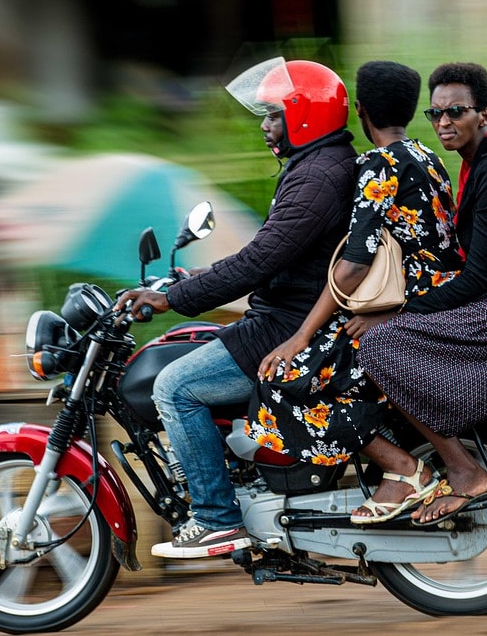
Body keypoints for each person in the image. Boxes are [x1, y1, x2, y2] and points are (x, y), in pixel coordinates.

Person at [115, 57, 357, 559]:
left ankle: (216, 519)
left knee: (174, 386)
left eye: (273, 115)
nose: (266, 126)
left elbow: (260, 260)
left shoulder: (316, 178)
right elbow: (268, 253)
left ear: (304, 114)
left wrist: (173, 298)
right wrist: (192, 278)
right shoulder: (316, 167)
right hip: (286, 312)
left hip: (287, 325)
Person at [349, 61, 487, 525]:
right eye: (435, 115)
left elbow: (476, 279)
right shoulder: (479, 162)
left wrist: (397, 313)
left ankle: (464, 470)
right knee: (403, 337)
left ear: (484, 115)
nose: (444, 123)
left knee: (379, 344)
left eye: (456, 111)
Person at [246, 61, 462, 523]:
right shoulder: (429, 157)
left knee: (282, 379)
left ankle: (404, 470)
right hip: (431, 302)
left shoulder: (378, 165)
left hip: (403, 310)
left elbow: (352, 267)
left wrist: (299, 336)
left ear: (360, 111)